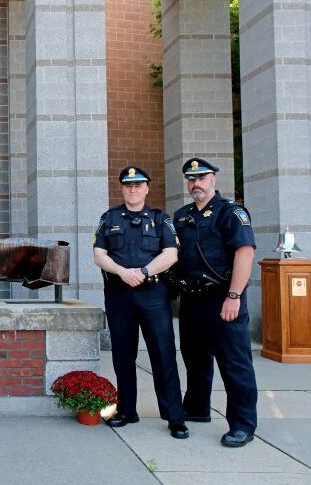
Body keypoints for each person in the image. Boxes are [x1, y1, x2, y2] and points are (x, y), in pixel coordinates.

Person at [93, 166, 188, 439]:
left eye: (138, 185)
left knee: (163, 355)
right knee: (123, 355)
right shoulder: (109, 217)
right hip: (119, 295)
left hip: (153, 295)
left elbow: (171, 254)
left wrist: (144, 272)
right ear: (122, 189)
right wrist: (124, 273)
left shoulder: (161, 219)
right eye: (127, 185)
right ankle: (126, 410)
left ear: (147, 188)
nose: (133, 189)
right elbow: (99, 255)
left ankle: (175, 417)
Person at [173, 157, 258, 448]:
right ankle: (196, 408)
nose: (195, 183)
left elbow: (244, 253)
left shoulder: (230, 213)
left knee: (235, 364)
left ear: (213, 180)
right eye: (191, 179)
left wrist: (234, 296)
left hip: (224, 298)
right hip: (192, 300)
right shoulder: (182, 216)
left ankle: (243, 425)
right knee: (194, 359)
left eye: (201, 178)